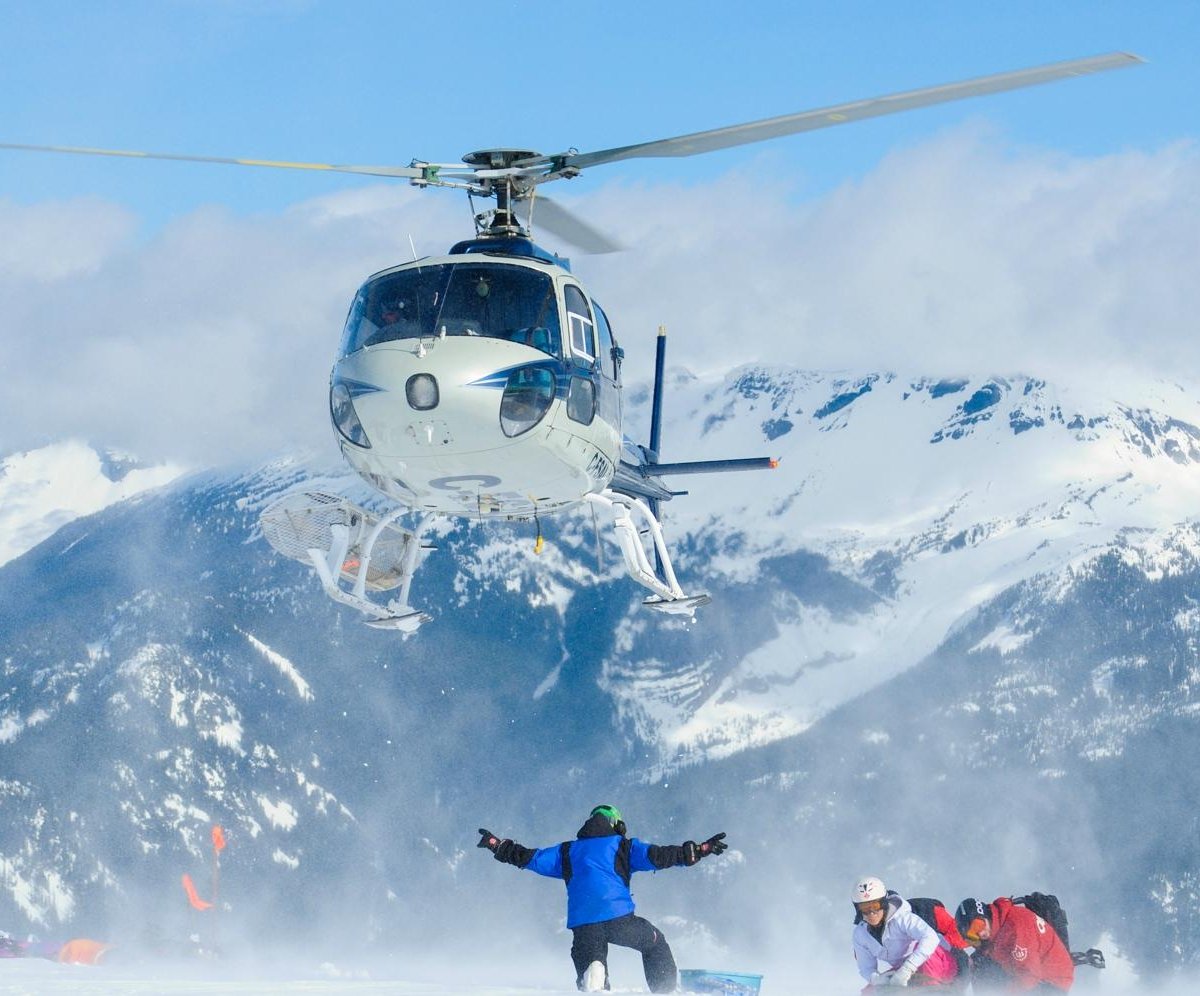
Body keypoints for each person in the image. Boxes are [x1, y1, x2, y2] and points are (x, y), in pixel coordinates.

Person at [477, 804, 728, 993]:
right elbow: (659, 856)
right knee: (655, 943)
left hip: (584, 924)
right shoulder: (624, 847)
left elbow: (529, 858)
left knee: (591, 967)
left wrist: (496, 845)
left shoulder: (567, 851)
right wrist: (698, 851)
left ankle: (594, 969)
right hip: (619, 919)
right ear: (616, 825)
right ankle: (665, 991)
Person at [851, 876, 959, 988]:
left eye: (875, 906)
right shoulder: (860, 934)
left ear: (883, 903)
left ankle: (933, 991)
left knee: (927, 961)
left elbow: (930, 938)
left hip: (942, 963)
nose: (871, 913)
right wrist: (878, 980)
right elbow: (866, 967)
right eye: (865, 908)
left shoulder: (902, 918)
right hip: (905, 971)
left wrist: (908, 968)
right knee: (870, 991)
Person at [954, 898, 1074, 992]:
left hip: (1052, 982)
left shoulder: (1016, 927)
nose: (980, 933)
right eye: (972, 934)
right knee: (978, 963)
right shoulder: (994, 932)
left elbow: (1029, 976)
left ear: (985, 915)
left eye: (978, 925)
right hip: (1025, 974)